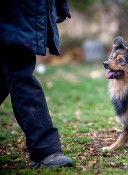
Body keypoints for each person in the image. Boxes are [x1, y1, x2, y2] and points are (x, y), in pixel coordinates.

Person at [0, 0, 73, 168]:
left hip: (22, 14)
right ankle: (46, 150)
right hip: (14, 15)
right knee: (21, 78)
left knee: (9, 77)